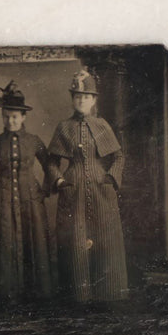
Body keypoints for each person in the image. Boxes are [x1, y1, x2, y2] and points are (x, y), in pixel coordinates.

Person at [47, 70, 128, 303]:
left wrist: (111, 178)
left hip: (102, 190)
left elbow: (118, 156)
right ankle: (79, 297)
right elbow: (51, 162)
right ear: (73, 99)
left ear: (94, 100)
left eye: (86, 96)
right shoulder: (64, 127)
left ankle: (108, 295)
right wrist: (60, 180)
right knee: (76, 244)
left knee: (105, 241)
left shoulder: (102, 125)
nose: (81, 100)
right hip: (74, 192)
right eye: (77, 96)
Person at [0, 81, 52, 304]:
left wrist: (44, 191)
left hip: (30, 200)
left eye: (14, 117)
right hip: (3, 200)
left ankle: (36, 294)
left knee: (34, 241)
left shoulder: (34, 142)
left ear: (23, 117)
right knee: (4, 242)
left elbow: (49, 165)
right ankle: (7, 294)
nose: (10, 121)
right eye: (6, 117)